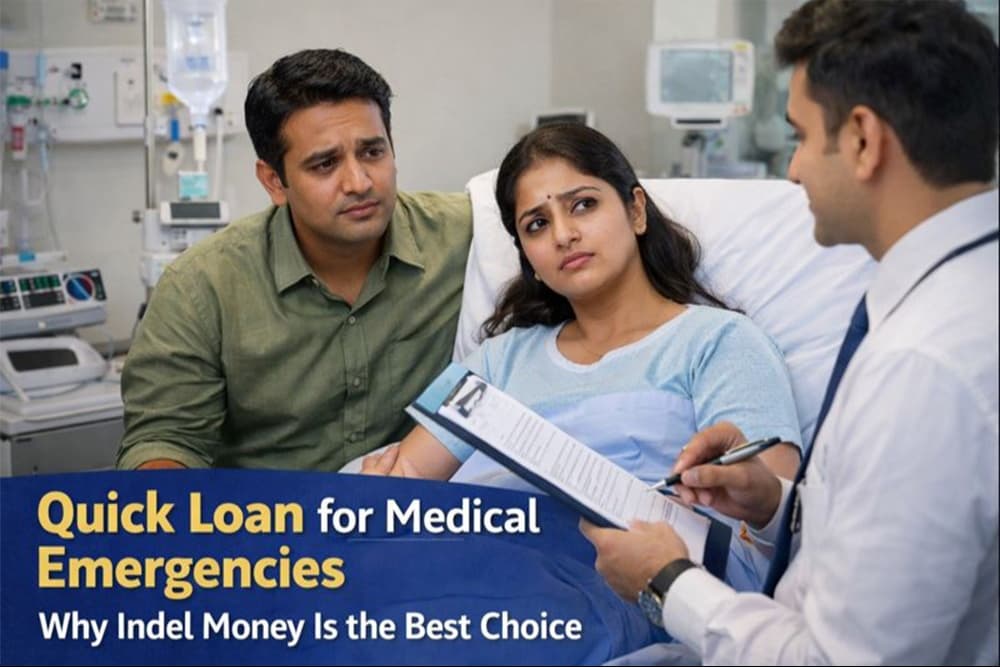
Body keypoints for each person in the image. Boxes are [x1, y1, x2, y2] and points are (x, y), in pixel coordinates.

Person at [581, 1, 999, 664]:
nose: (794, 168)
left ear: (863, 139)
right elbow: (884, 536)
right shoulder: (947, 301)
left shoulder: (925, 367)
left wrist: (668, 580)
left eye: (801, 135)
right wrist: (776, 502)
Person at [363, 123, 804, 590]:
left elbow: (770, 522)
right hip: (481, 580)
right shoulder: (496, 361)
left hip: (629, 591)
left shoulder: (720, 343)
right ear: (527, 256)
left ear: (636, 211)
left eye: (583, 205)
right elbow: (405, 484)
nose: (564, 234)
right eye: (537, 224)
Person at [118, 49, 472, 471]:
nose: (359, 183)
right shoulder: (201, 288)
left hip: (410, 519)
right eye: (325, 164)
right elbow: (164, 442)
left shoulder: (466, 236)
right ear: (274, 181)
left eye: (373, 152)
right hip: (262, 527)